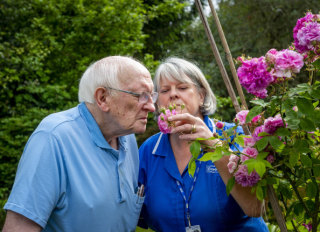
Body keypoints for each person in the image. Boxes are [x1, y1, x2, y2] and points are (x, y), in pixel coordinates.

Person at [3, 56, 157, 232]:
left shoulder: (126, 137)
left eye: (151, 96)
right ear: (103, 98)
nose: (152, 107)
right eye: (141, 96)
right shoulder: (53, 138)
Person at [138, 57, 268, 232]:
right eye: (164, 90)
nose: (173, 94)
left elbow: (253, 208)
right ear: (157, 102)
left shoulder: (234, 135)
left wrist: (214, 145)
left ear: (201, 96)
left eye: (183, 87)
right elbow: (135, 217)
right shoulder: (148, 151)